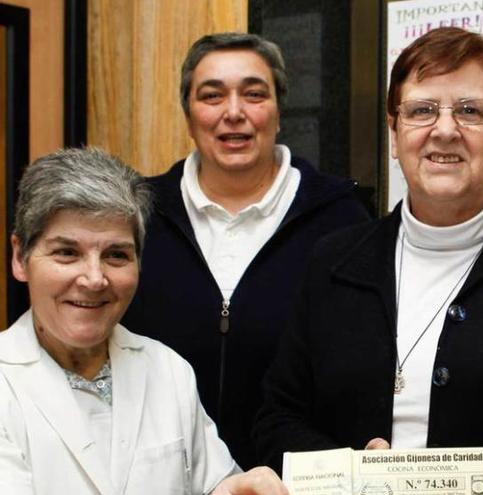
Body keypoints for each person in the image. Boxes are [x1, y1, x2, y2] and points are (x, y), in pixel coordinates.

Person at [253, 27, 483, 494]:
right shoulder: (334, 259)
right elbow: (278, 418)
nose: (445, 129)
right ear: (393, 133)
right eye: (422, 110)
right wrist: (353, 479)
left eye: (469, 111)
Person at [122, 33, 369, 469]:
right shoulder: (137, 215)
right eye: (212, 96)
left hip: (296, 481)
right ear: (188, 113)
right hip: (160, 477)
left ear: (279, 111)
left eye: (254, 94)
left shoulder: (343, 220)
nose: (233, 113)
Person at [0, 148, 287, 495]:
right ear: (20, 258)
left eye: (116, 255)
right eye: (67, 253)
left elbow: (212, 483)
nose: (94, 279)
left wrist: (237, 489)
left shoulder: (168, 370)